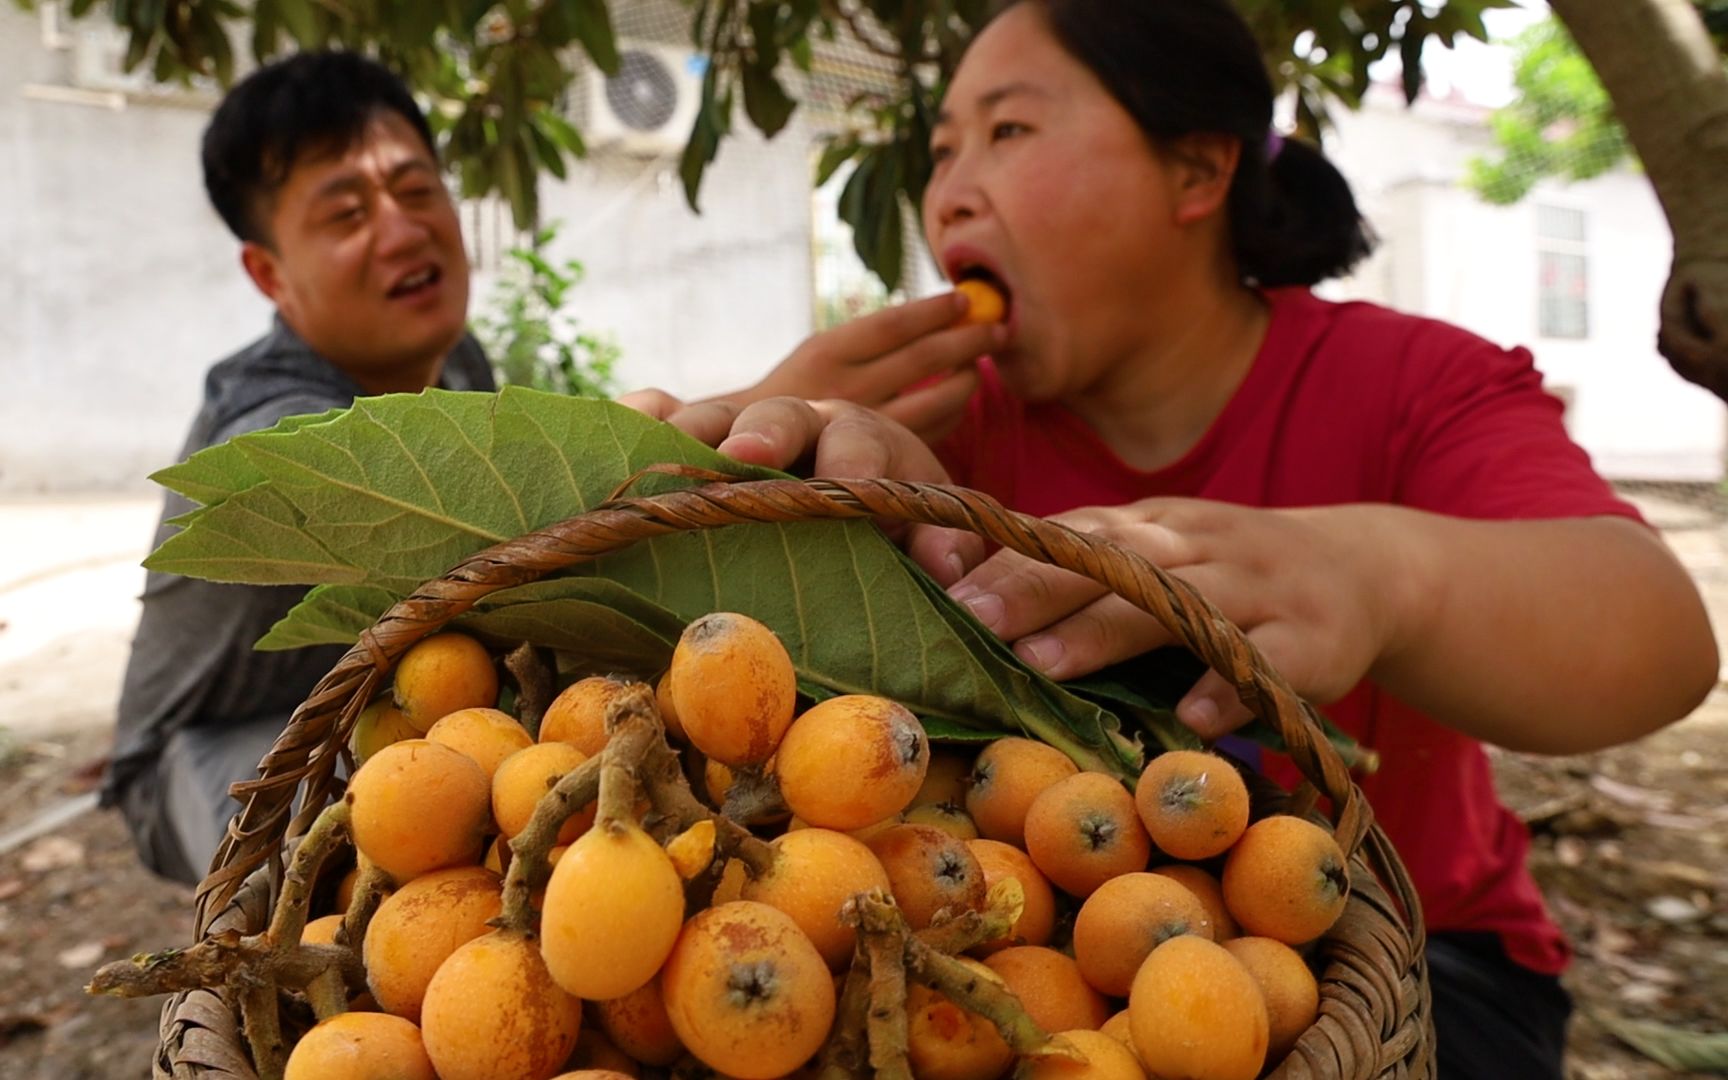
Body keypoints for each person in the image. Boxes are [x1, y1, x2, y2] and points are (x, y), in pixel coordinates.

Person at [623, 2, 1720, 1077]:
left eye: (1008, 131)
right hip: (1043, 960)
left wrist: (1384, 577)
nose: (949, 188)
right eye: (941, 150)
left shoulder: (1408, 384)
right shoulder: (931, 437)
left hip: (1424, 961)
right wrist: (782, 484)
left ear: (1198, 172)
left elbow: (1657, 640)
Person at [103, 51, 495, 886]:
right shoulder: (274, 427)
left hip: (371, 698)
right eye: (347, 213)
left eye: (417, 189)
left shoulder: (459, 362)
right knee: (323, 877)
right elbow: (519, 520)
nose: (402, 230)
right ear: (270, 274)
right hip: (212, 738)